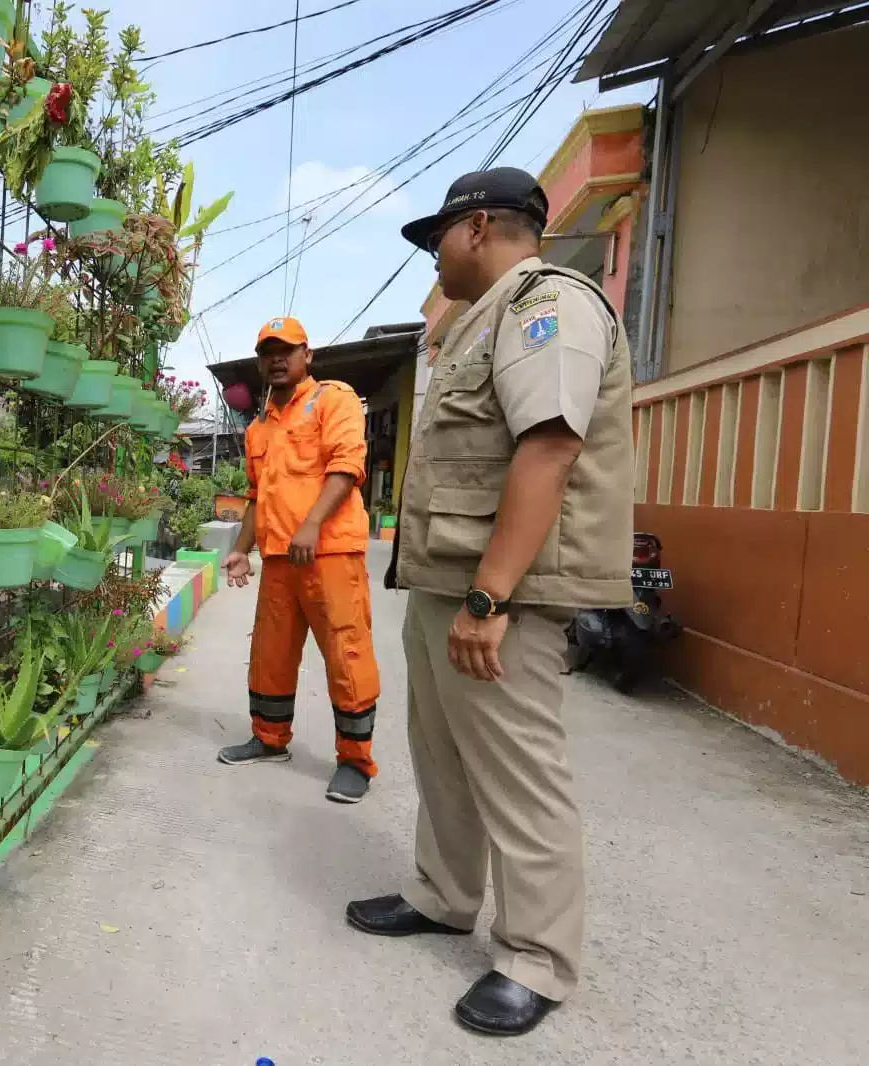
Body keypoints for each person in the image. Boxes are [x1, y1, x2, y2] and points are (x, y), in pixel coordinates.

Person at [345, 168, 633, 1035]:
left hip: (501, 594)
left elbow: (548, 449)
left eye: (438, 238)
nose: (433, 257)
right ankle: (443, 894)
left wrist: (490, 596)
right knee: (442, 756)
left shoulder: (547, 306)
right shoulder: (475, 323)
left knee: (518, 774)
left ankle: (537, 959)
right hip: (446, 585)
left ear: (475, 228)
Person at [216, 317, 382, 804]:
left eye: (286, 349)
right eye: (268, 351)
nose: (277, 359)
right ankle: (269, 740)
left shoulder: (334, 399)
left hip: (329, 554)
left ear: (307, 354)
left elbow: (347, 466)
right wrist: (241, 550)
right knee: (271, 654)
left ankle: (355, 760)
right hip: (278, 561)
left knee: (346, 655)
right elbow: (255, 496)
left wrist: (311, 524)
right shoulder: (259, 427)